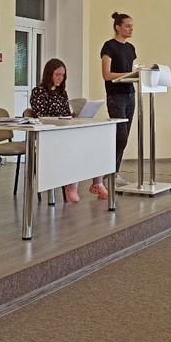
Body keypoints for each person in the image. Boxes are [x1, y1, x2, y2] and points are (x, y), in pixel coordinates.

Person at [30, 58, 108, 201]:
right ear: (49, 74)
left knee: (96, 144)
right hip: (50, 133)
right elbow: (41, 115)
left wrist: (76, 115)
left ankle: (97, 183)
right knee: (76, 146)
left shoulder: (62, 92)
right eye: (57, 74)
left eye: (63, 75)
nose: (60, 78)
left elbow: (66, 113)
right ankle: (72, 185)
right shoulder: (38, 91)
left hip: (65, 130)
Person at [101, 12, 136, 188]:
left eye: (132, 26)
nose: (131, 29)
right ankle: (108, 173)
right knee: (120, 136)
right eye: (127, 26)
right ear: (118, 27)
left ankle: (114, 173)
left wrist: (135, 74)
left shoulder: (131, 48)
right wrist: (128, 74)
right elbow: (106, 75)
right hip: (116, 96)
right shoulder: (109, 47)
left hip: (130, 94)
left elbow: (131, 72)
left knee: (125, 136)